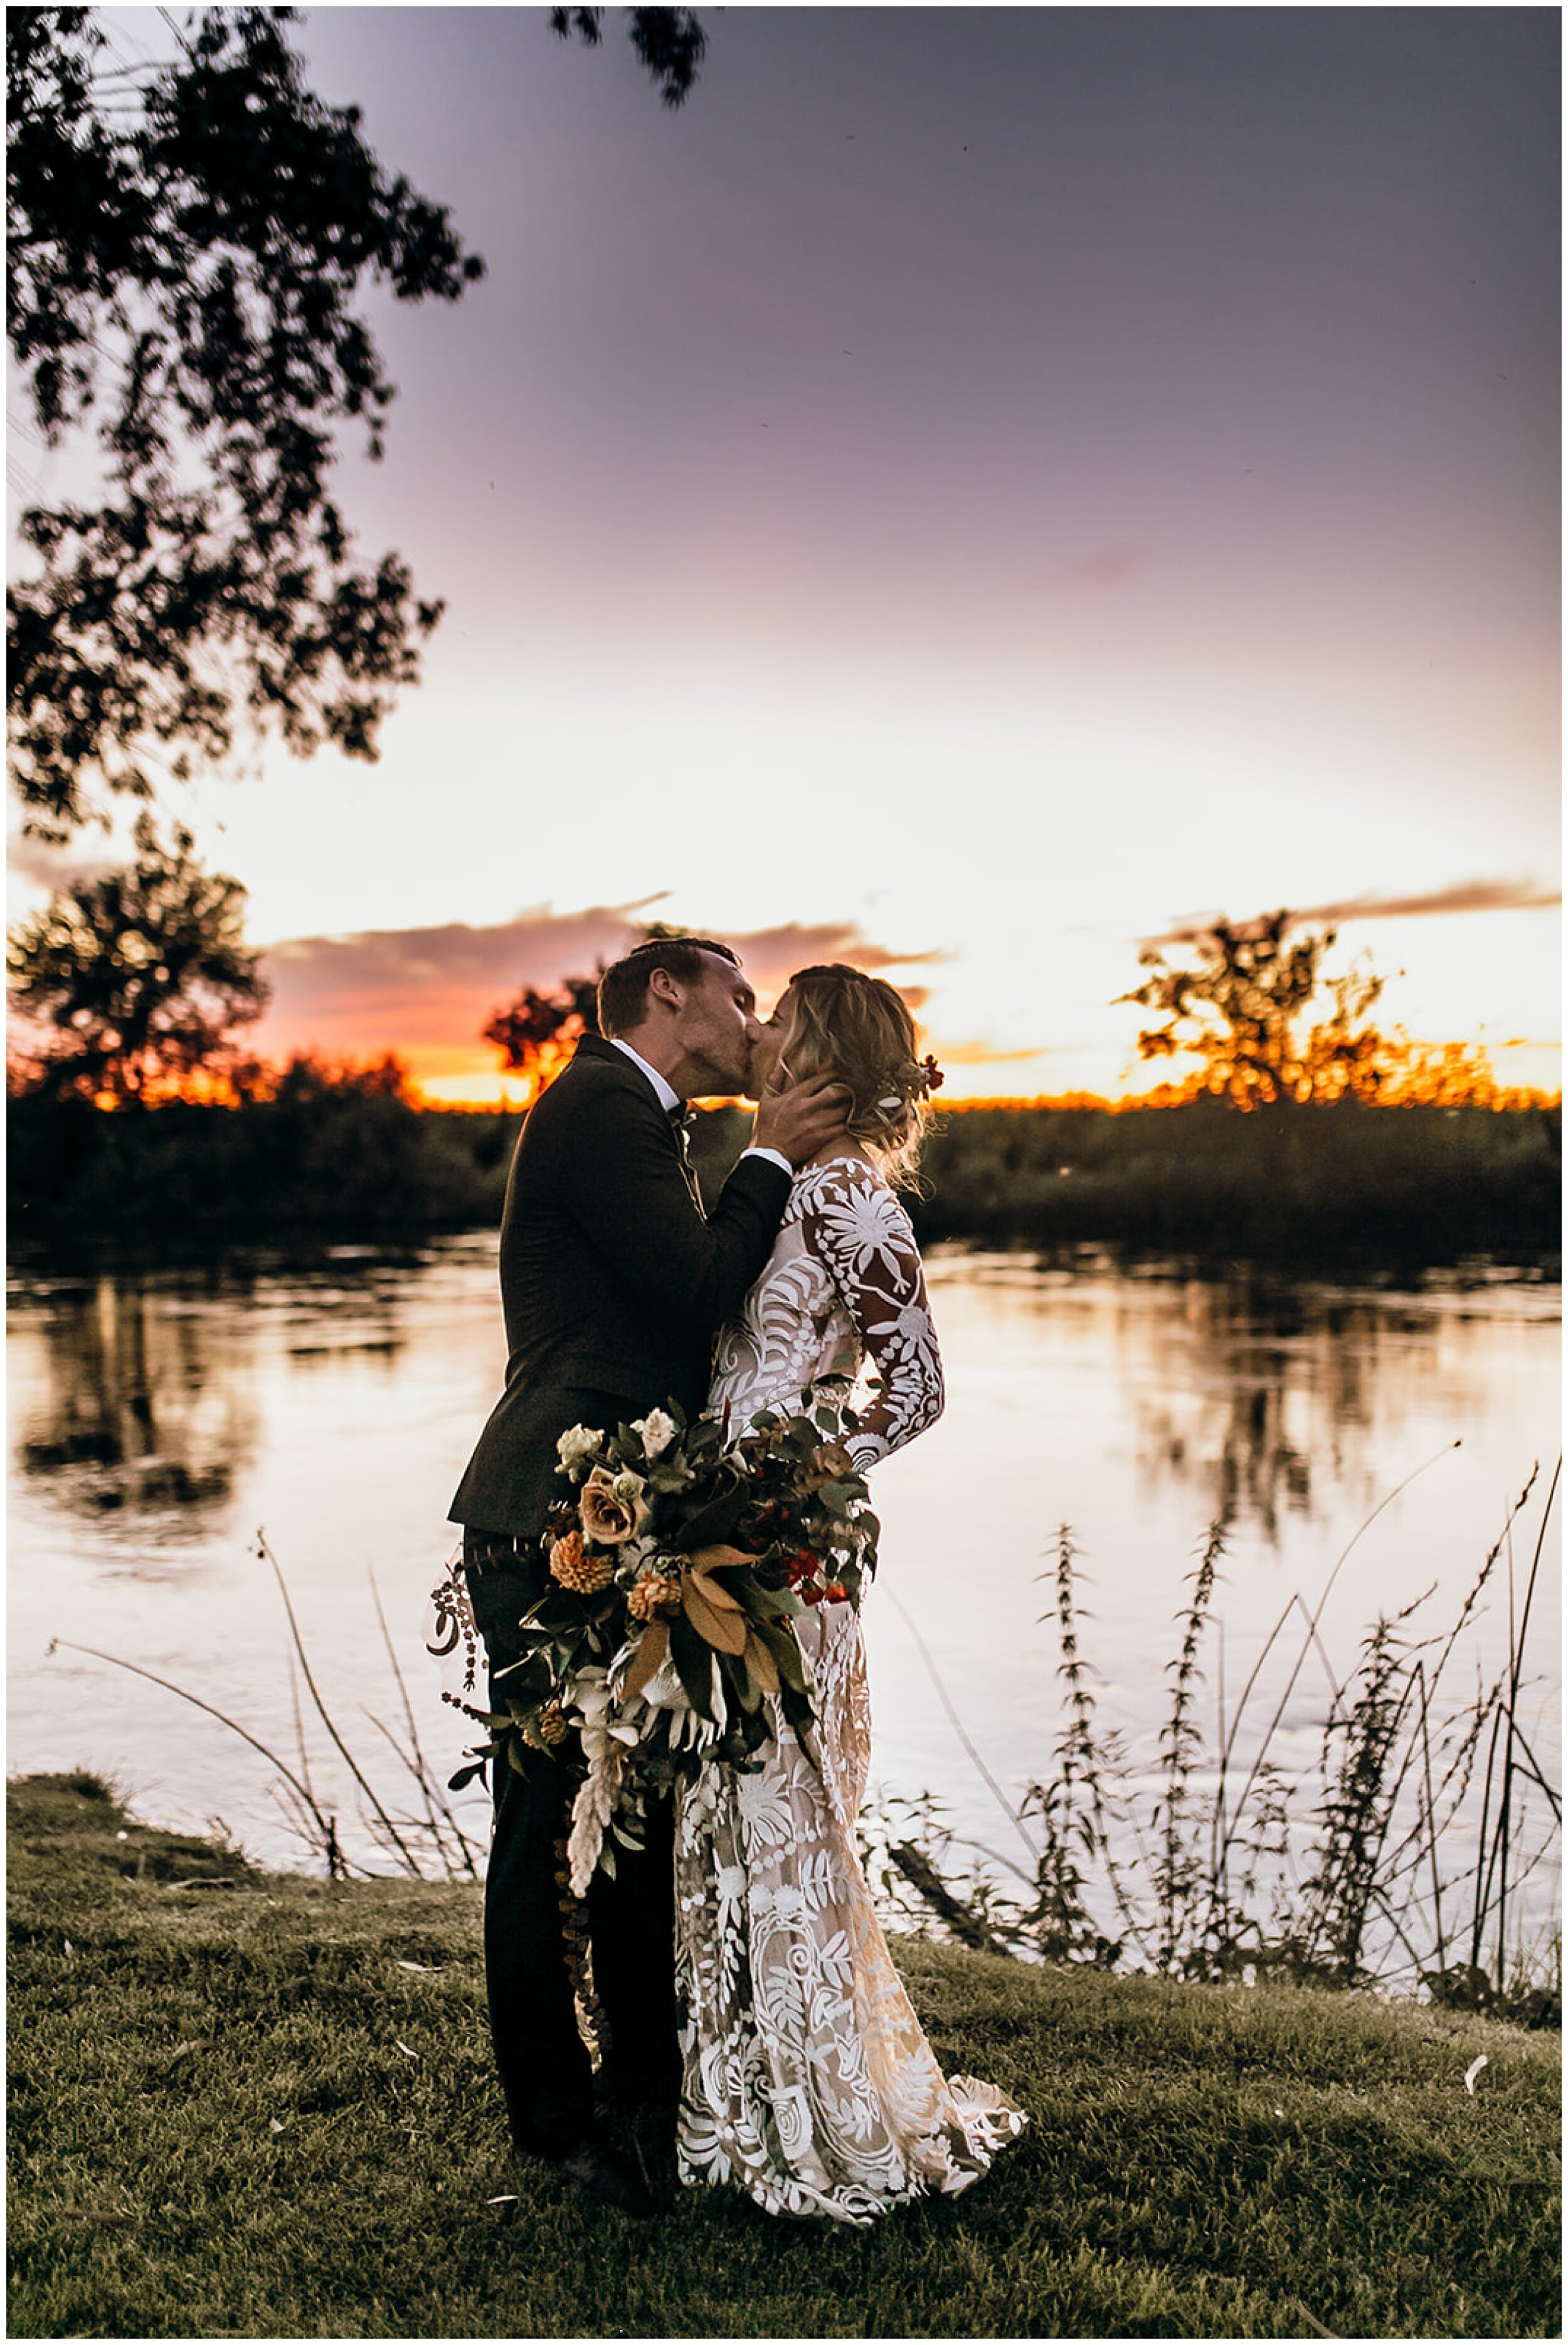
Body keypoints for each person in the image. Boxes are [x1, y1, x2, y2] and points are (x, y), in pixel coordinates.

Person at [448, 935, 848, 2215]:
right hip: (546, 1515)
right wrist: (775, 1153)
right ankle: (566, 2123)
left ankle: (637, 2101)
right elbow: (691, 1290)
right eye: (739, 997)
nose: (753, 1022)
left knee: (627, 1814)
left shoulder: (637, 1118)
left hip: (607, 1512)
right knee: (546, 1813)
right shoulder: (605, 1103)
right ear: (665, 995)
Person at [673, 963, 1028, 2223]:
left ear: (825, 1059)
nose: (760, 1042)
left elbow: (916, 1385)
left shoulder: (846, 1194)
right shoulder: (766, 1184)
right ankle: (728, 2105)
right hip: (710, 1536)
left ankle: (822, 2107)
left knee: (785, 1809)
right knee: (721, 1807)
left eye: (785, 1032)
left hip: (787, 1547)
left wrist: (818, 1472)